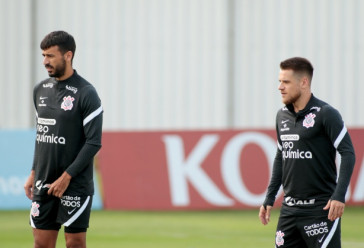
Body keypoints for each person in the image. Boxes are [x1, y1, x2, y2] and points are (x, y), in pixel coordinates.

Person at [259, 57, 355, 248]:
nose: (280, 87)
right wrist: (270, 197)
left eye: (285, 82)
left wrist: (339, 195)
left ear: (304, 82)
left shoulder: (326, 113)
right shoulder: (282, 116)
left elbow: (348, 152)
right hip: (289, 210)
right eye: (279, 81)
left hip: (320, 211)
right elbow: (281, 156)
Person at [24, 31, 103, 248]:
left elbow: (94, 142)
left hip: (75, 183)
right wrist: (33, 172)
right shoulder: (40, 90)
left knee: (75, 244)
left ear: (68, 55)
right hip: (44, 180)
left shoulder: (86, 93)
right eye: (43, 55)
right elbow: (42, 135)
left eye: (50, 56)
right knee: (41, 244)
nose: (45, 61)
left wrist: (67, 177)